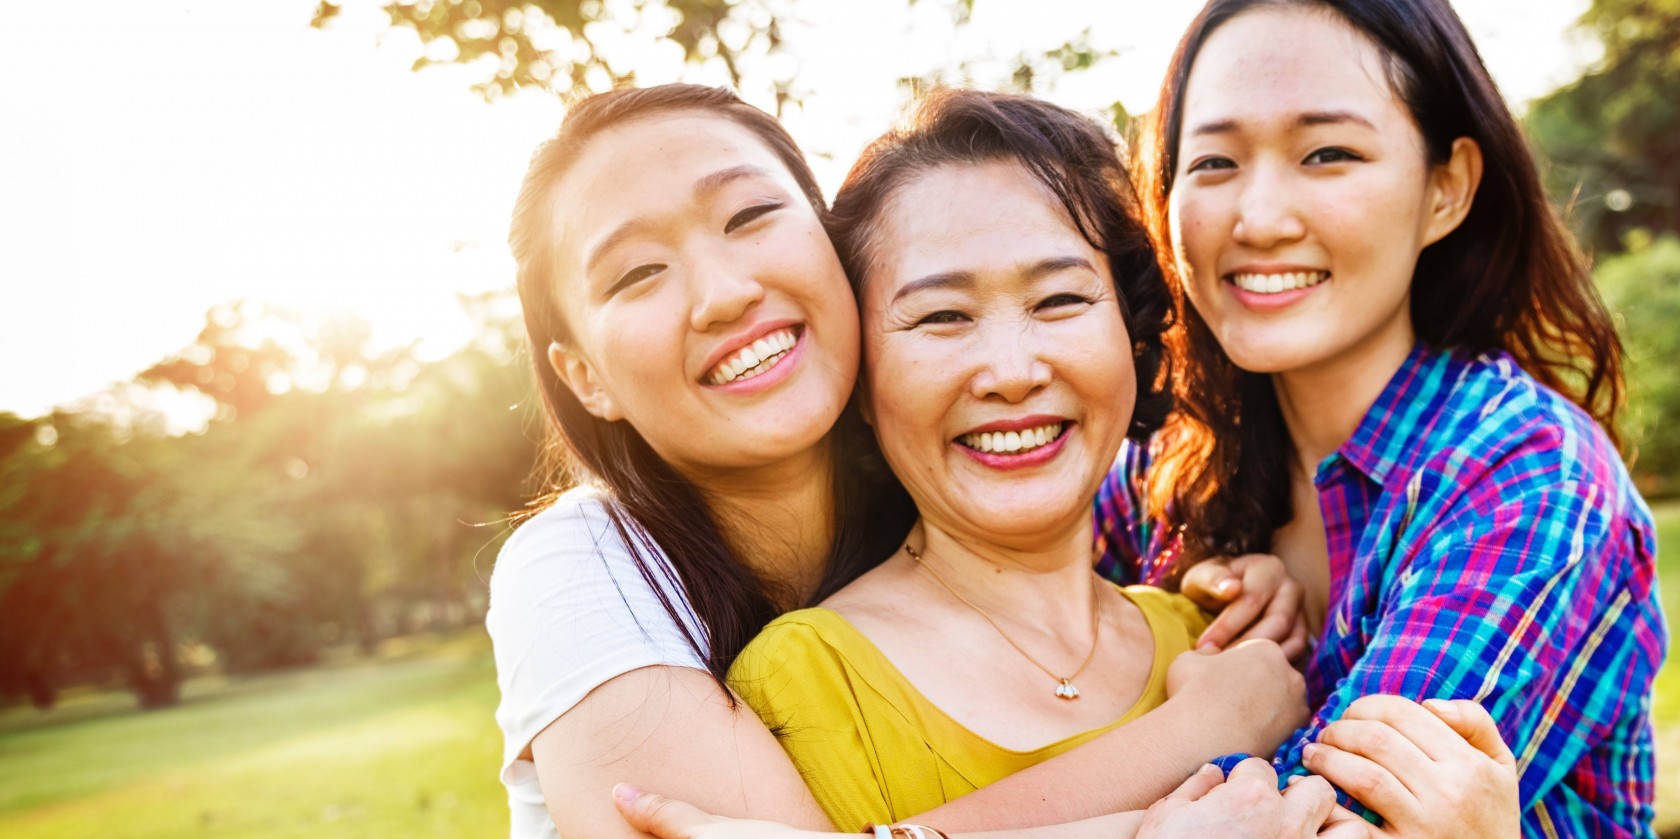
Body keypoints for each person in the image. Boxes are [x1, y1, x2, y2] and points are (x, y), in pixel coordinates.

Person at [608, 89, 1521, 839]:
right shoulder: (807, 682)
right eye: (941, 317)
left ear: (1131, 335)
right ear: (862, 370)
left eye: (1059, 300)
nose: (1011, 372)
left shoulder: (1221, 640)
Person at [490, 84, 1317, 839]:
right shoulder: (583, 566)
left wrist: (1225, 579)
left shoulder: (958, 493)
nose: (725, 292)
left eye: (749, 216)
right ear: (585, 376)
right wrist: (1200, 736)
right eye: (638, 272)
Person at [1103, 0, 1664, 834]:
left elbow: (1316, 820)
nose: (1257, 220)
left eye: (1327, 153)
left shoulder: (1528, 476)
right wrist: (1157, 619)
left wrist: (1222, 712)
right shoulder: (1164, 464)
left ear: (1447, 188)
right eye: (1214, 162)